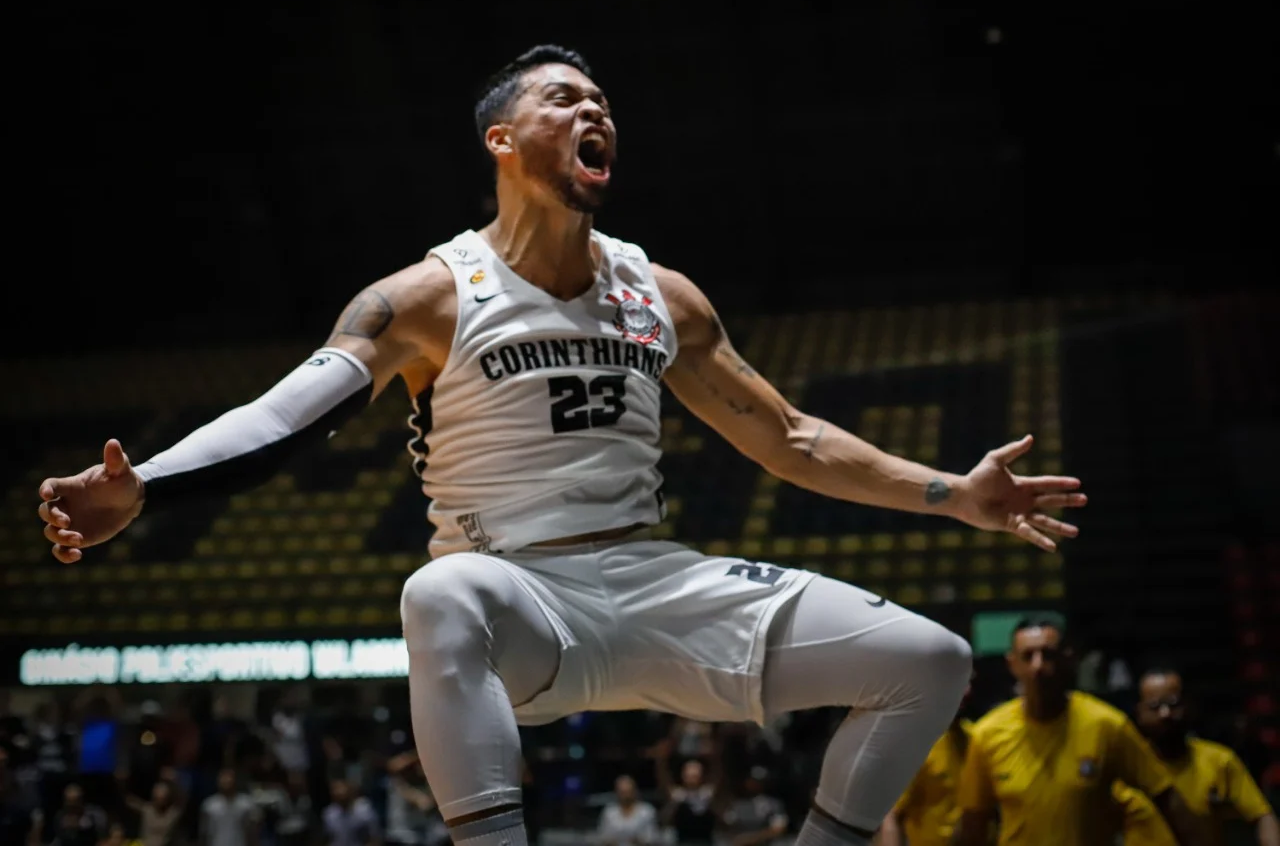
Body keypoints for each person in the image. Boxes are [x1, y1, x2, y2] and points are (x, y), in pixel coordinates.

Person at [37, 44, 1089, 846]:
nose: (594, 112)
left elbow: (790, 435)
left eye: (602, 105)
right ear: (500, 139)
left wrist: (954, 494)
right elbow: (281, 414)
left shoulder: (659, 293)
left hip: (655, 579)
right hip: (514, 598)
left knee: (929, 660)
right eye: (564, 99)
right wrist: (152, 485)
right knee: (436, 592)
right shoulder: (427, 295)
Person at [955, 616, 1203, 845]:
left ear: (1068, 657)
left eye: (1048, 654)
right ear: (1012, 664)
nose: (1038, 666)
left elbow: (1166, 797)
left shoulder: (1106, 725)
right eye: (1028, 656)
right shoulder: (988, 734)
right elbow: (972, 825)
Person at [1112, 668, 1278, 846]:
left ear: (1188, 706)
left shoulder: (1220, 761)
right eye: (1155, 706)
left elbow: (1262, 816)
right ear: (1139, 713)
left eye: (1173, 704)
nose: (1165, 713)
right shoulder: (1124, 765)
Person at [877, 677, 974, 846]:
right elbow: (891, 818)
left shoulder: (975, 737)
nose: (965, 691)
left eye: (967, 682)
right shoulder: (916, 744)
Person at [596, 775, 658, 846]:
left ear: (634, 791)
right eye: (622, 793)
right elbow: (603, 837)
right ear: (617, 792)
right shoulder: (609, 812)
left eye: (628, 792)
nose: (625, 796)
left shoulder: (647, 811)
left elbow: (652, 838)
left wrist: (636, 840)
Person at [200, 770, 257, 846]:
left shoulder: (246, 804)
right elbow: (204, 832)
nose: (227, 782)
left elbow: (253, 832)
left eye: (229, 780)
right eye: (223, 780)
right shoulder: (210, 805)